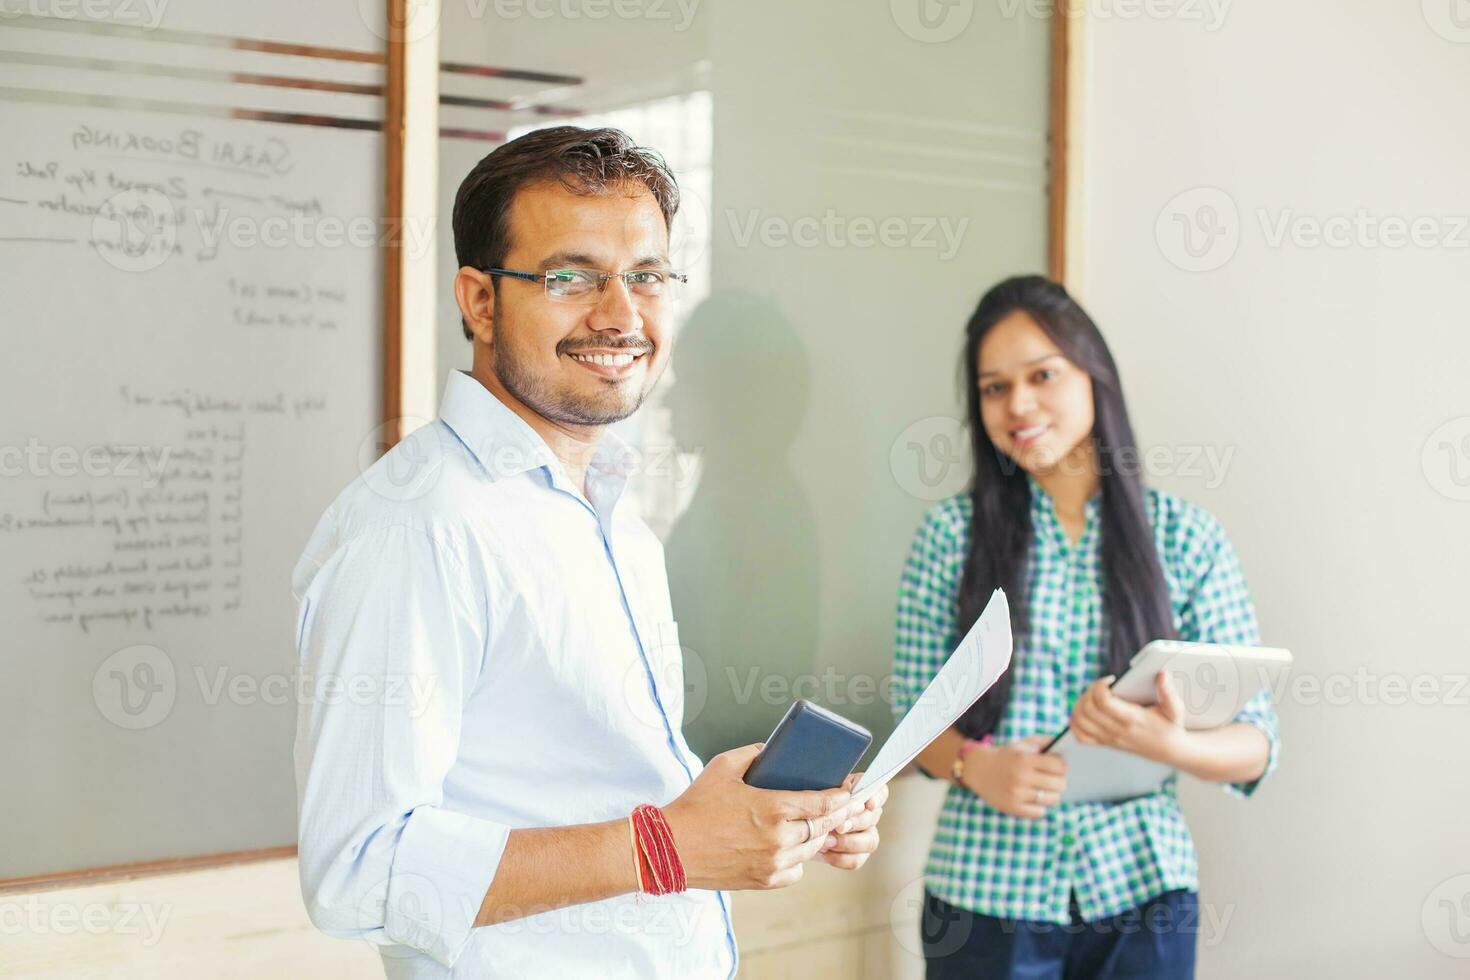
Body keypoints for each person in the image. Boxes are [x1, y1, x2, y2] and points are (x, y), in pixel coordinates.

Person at [291, 126, 886, 979]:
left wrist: (768, 811)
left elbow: (601, 783)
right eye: (570, 277)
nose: (620, 314)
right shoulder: (415, 527)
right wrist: (664, 848)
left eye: (646, 277)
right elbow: (358, 870)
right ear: (480, 300)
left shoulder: (613, 512)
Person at [892, 275, 1280, 978]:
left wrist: (1171, 742)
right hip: (982, 895)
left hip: (1145, 893)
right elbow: (913, 726)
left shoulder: (1187, 539)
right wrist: (979, 767)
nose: (1019, 405)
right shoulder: (949, 537)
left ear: (1094, 376)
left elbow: (1255, 746)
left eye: (1042, 375)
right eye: (994, 388)